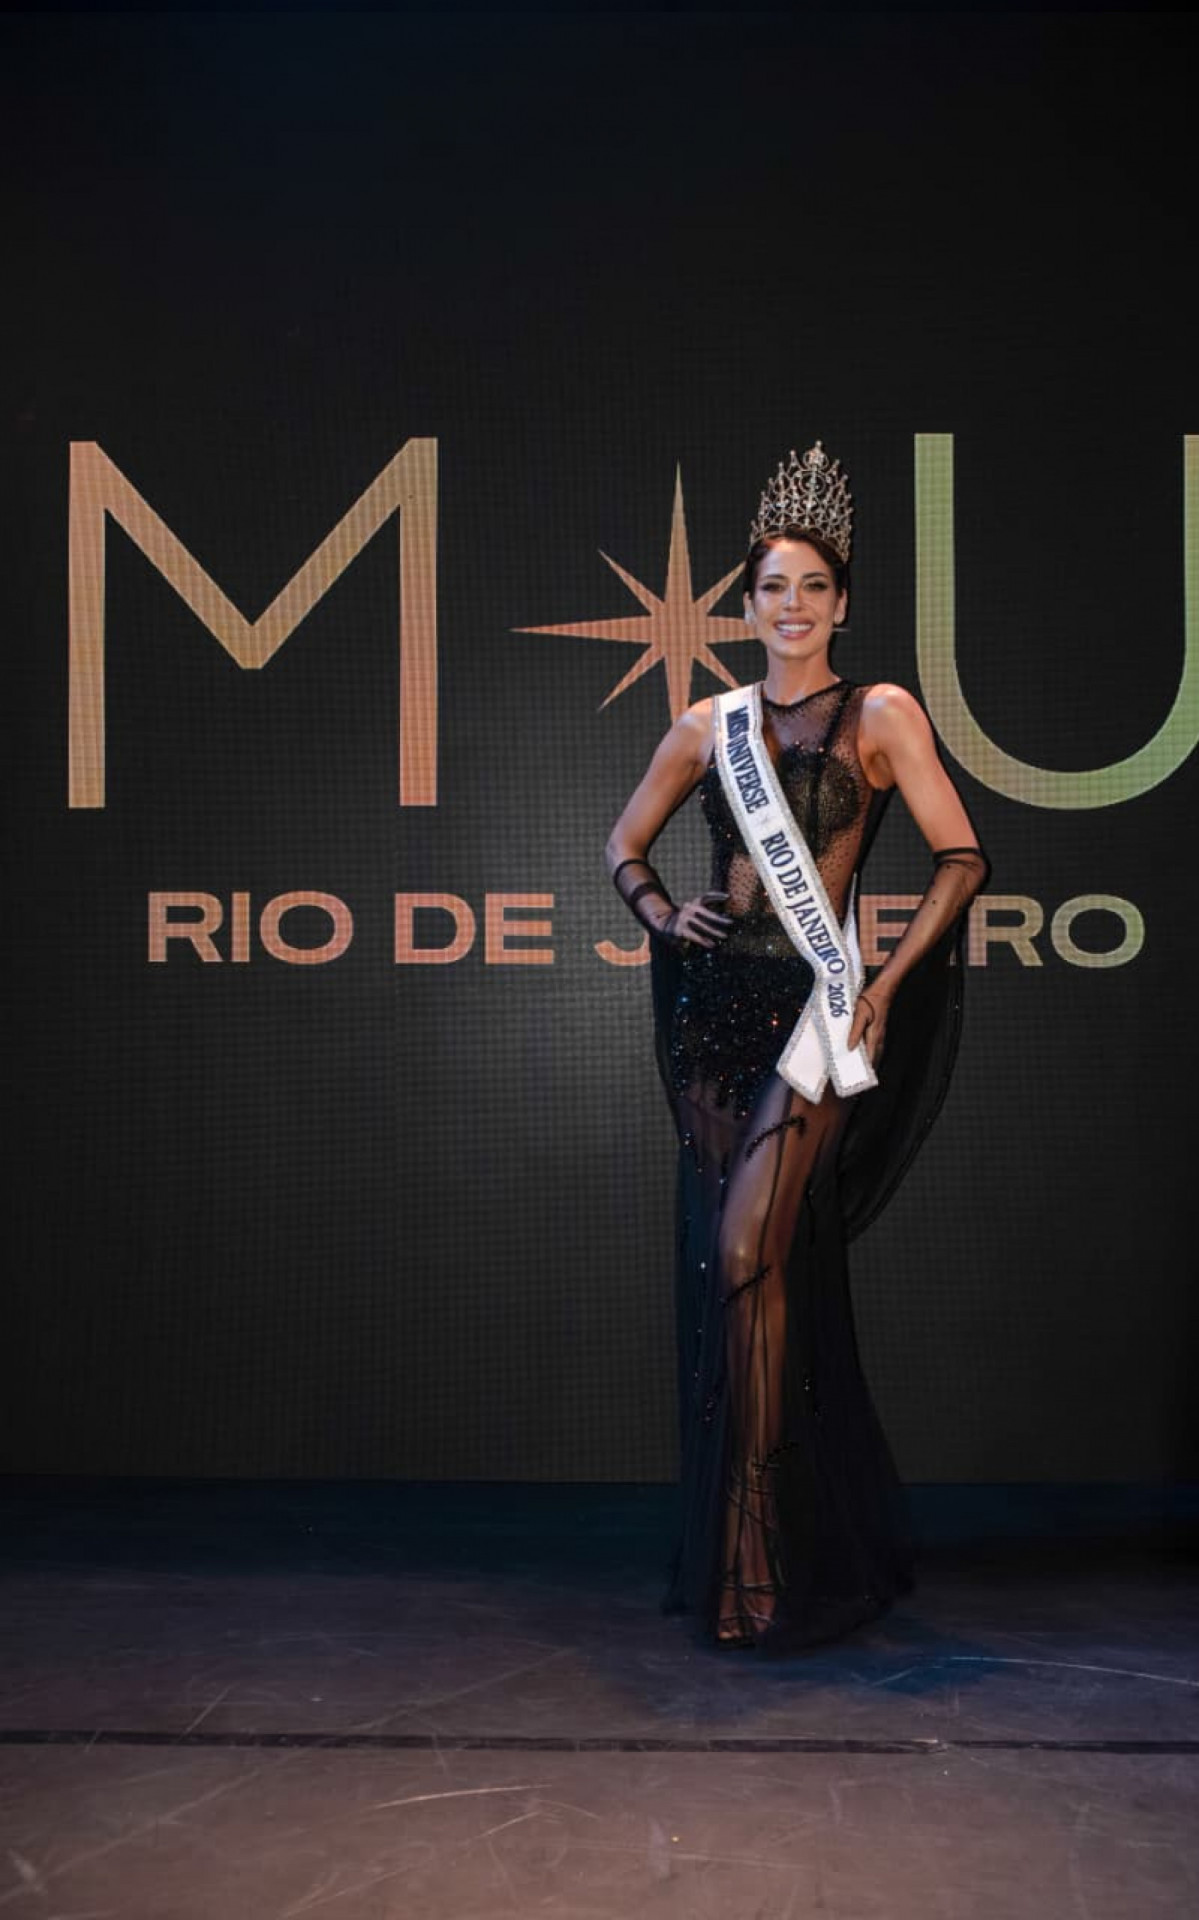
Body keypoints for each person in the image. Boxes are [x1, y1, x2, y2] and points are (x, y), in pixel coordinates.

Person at [606, 443, 989, 1652]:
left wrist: (877, 979)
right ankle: (743, 1540)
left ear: (841, 601)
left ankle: (763, 1537)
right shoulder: (705, 722)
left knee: (745, 1251)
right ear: (747, 601)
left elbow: (962, 857)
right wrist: (666, 914)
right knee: (741, 1283)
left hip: (818, 1008)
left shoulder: (879, 713)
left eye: (812, 587)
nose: (790, 607)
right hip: (713, 1012)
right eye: (771, 587)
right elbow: (623, 844)